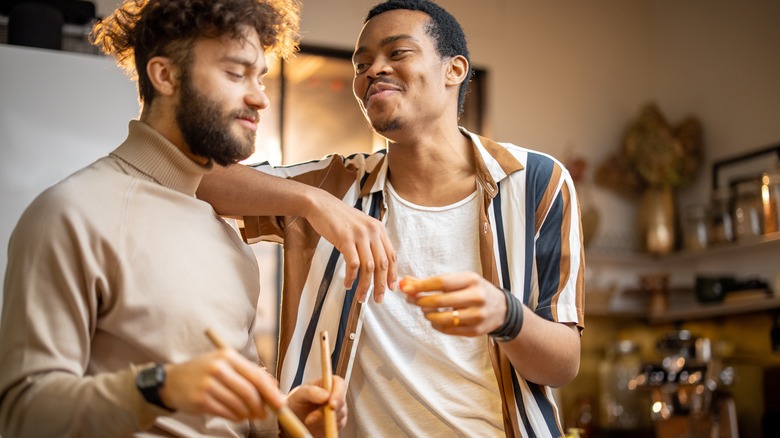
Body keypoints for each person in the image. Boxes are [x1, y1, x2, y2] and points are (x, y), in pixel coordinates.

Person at [0, 0, 400, 436]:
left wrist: (282, 417)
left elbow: (231, 411)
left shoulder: (225, 236)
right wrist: (160, 388)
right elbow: (22, 412)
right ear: (165, 75)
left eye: (260, 77)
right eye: (235, 74)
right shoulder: (72, 212)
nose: (260, 98)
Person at [198, 0, 585, 436]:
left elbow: (563, 364)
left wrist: (505, 314)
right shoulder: (332, 187)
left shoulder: (536, 181)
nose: (372, 71)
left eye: (397, 53)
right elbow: (199, 179)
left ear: (454, 70)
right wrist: (316, 204)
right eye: (361, 63)